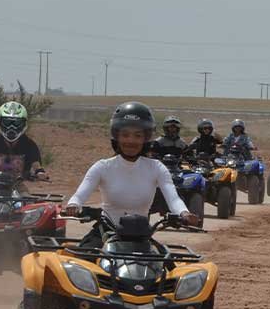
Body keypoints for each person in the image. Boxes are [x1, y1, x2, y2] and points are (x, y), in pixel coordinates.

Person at [63, 102, 196, 248]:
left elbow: (173, 198)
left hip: (142, 237)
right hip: (104, 234)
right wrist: (73, 205)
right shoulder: (102, 167)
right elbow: (80, 194)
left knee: (166, 267)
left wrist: (184, 214)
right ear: (116, 136)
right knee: (84, 263)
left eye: (137, 135)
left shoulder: (157, 168)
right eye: (125, 135)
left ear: (146, 138)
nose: (131, 141)